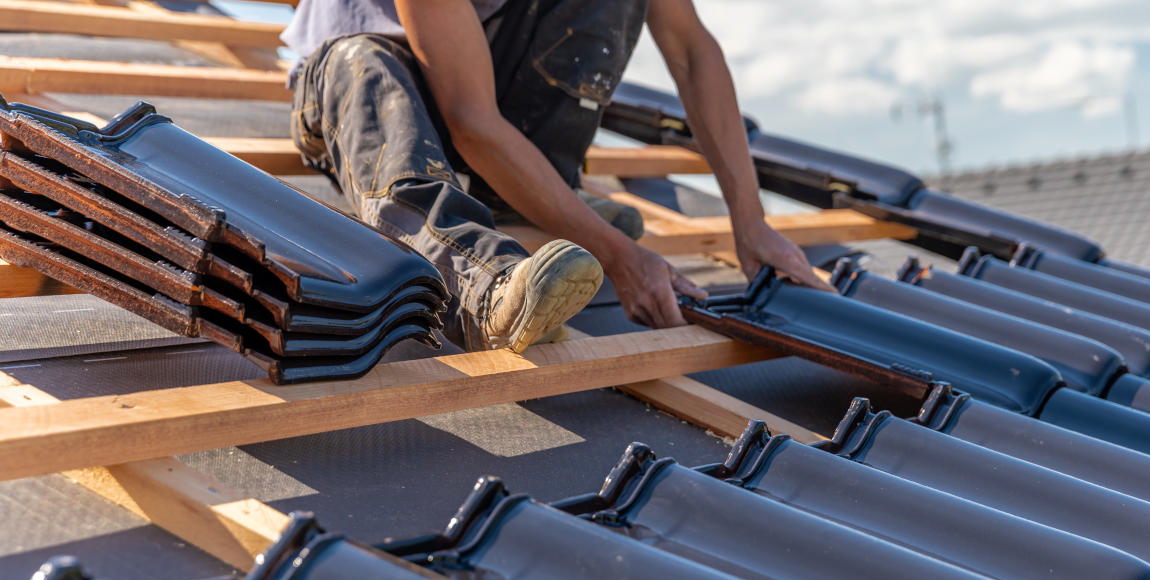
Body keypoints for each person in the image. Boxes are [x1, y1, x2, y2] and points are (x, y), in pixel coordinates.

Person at [283, 0, 832, 353]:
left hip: (475, 78)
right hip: (362, 76)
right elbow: (470, 119)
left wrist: (750, 221)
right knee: (369, 70)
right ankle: (482, 284)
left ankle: (519, 202)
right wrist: (619, 255)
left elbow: (691, 51)